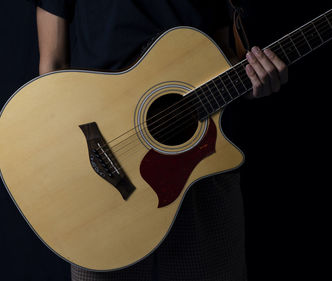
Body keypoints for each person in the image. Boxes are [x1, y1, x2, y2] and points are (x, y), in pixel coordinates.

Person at [27, 1, 288, 280]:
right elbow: (52, 69)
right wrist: (76, 169)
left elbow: (222, 56)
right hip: (104, 187)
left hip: (201, 169)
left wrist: (253, 79)